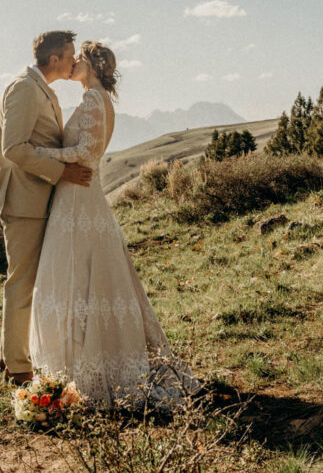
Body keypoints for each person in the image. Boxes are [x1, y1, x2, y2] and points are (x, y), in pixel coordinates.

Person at [28, 41, 201, 409]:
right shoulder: (97, 98)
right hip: (78, 196)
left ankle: (84, 366)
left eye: (78, 58)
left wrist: (42, 155)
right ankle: (75, 362)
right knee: (82, 277)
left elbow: (87, 152)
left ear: (90, 65)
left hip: (78, 199)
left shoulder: (94, 100)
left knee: (74, 275)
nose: (72, 62)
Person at [0, 31, 95, 386]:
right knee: (22, 284)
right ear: (55, 59)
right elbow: (14, 147)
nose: (74, 61)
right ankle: (17, 367)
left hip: (39, 199)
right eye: (70, 55)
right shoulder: (24, 89)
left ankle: (21, 356)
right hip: (24, 200)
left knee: (32, 282)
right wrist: (62, 171)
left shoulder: (40, 88)